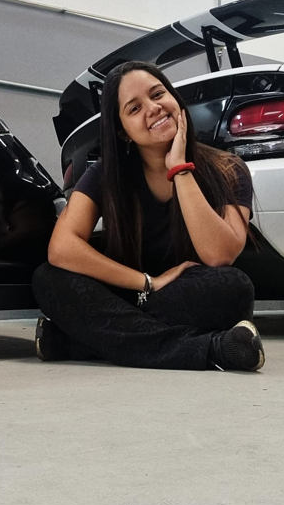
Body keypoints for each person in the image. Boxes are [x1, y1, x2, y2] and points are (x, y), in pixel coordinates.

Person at [32, 61, 264, 372]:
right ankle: (213, 350)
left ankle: (79, 341)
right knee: (48, 278)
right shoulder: (105, 173)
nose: (153, 108)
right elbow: (62, 248)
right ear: (122, 132)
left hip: (185, 293)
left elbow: (220, 255)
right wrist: (148, 283)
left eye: (158, 94)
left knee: (234, 288)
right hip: (128, 288)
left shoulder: (228, 168)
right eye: (134, 108)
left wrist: (180, 169)